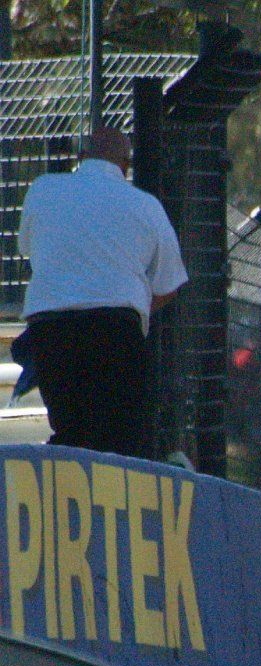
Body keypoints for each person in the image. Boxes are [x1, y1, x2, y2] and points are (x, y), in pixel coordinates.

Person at [18, 127, 187, 457]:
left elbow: (27, 247)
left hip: (50, 329)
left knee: (70, 429)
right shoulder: (146, 205)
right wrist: (134, 307)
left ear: (81, 158)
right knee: (121, 439)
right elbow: (169, 284)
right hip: (116, 330)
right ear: (126, 165)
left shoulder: (42, 191)